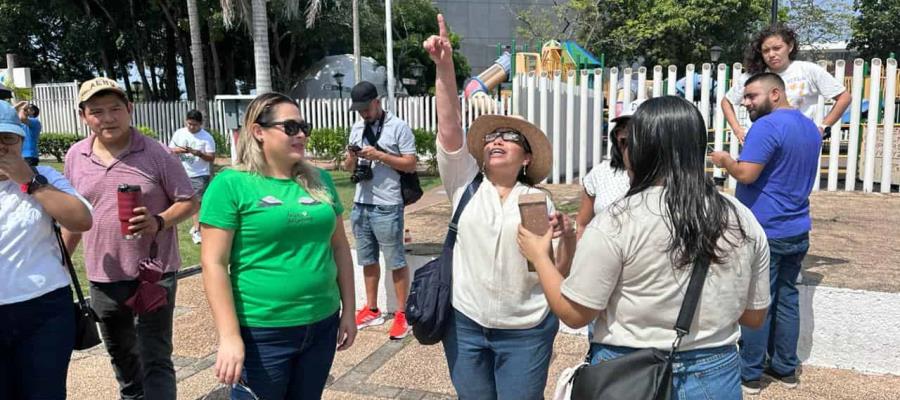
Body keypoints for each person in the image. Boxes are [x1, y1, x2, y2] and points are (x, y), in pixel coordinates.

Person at [519, 96, 771, 400]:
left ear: (639, 149)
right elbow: (754, 317)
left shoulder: (617, 220)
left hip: (627, 372)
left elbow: (574, 314)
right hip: (716, 374)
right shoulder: (741, 217)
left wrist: (539, 256)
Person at [424, 15, 577, 399]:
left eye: (508, 137)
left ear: (526, 158)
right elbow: (449, 129)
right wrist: (444, 67)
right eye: (491, 136)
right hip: (466, 325)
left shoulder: (536, 200)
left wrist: (569, 239)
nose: (496, 141)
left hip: (526, 331)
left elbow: (552, 273)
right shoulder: (465, 183)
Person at [200, 93, 357, 399]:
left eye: (303, 127)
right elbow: (213, 264)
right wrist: (230, 337)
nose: (301, 134)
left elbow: (339, 247)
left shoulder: (320, 180)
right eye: (290, 127)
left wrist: (349, 310)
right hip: (263, 331)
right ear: (258, 131)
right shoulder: (231, 184)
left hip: (322, 323)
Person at [62, 77, 198, 400]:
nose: (107, 118)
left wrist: (158, 221)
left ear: (129, 109)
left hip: (154, 274)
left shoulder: (157, 152)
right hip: (103, 277)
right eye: (97, 111)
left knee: (155, 357)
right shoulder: (75, 156)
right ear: (84, 116)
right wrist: (61, 263)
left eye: (115, 109)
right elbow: (73, 216)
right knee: (122, 359)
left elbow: (189, 201)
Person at [710, 73, 821, 395]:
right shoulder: (809, 127)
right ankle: (786, 368)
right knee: (787, 298)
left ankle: (750, 373)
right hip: (798, 228)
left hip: (765, 230)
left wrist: (725, 160)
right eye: (744, 97)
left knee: (756, 300)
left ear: (775, 94)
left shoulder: (768, 127)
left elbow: (747, 173)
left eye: (752, 96)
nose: (746, 103)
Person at [0, 100, 93, 400]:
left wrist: (29, 182)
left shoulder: (45, 178)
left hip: (44, 310)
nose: (0, 147)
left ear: (21, 139)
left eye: (7, 138)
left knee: (45, 393)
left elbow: (81, 219)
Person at [342, 80, 418, 340]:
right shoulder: (356, 128)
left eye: (366, 107)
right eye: (359, 109)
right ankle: (372, 309)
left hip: (388, 204)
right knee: (368, 259)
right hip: (361, 203)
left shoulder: (398, 127)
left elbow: (410, 164)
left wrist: (380, 156)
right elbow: (348, 168)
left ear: (378, 101)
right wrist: (352, 159)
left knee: (395, 260)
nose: (363, 113)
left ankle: (402, 314)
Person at [722, 24, 851, 143]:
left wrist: (823, 127)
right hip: (759, 142)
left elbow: (844, 97)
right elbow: (726, 102)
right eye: (766, 51)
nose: (771, 54)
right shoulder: (752, 76)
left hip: (796, 142)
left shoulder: (808, 70)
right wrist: (737, 129)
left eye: (777, 48)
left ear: (790, 46)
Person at [574, 103, 634, 239]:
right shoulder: (601, 173)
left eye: (638, 129)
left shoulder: (666, 174)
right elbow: (582, 224)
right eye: (624, 128)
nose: (628, 135)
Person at [169, 109, 216, 244]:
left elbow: (211, 157)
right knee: (182, 202)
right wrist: (180, 150)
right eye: (189, 124)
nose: (191, 127)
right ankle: (193, 226)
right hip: (181, 173)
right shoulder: (179, 133)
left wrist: (199, 153)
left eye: (194, 125)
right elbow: (170, 150)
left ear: (200, 124)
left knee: (197, 203)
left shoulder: (206, 137)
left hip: (199, 174)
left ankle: (197, 230)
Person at [14, 102, 41, 166]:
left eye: (27, 108)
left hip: (29, 156)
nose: (24, 109)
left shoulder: (35, 121)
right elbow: (8, 113)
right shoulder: (21, 123)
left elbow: (22, 118)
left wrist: (23, 108)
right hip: (20, 156)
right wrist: (20, 104)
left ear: (33, 111)